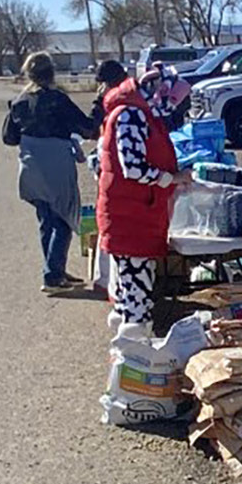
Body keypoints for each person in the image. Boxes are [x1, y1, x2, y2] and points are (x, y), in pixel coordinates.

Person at [96, 65, 191, 331]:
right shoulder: (132, 115)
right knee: (136, 297)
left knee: (129, 293)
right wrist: (172, 179)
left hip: (135, 212)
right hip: (132, 216)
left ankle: (127, 347)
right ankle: (134, 355)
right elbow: (133, 168)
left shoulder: (138, 113)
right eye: (173, 101)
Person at [1, 52, 99, 293]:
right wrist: (99, 104)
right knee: (63, 220)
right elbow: (87, 128)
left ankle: (53, 269)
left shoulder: (20, 101)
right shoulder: (57, 99)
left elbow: (9, 137)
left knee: (46, 220)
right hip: (55, 165)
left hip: (30, 166)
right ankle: (52, 276)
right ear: (51, 73)